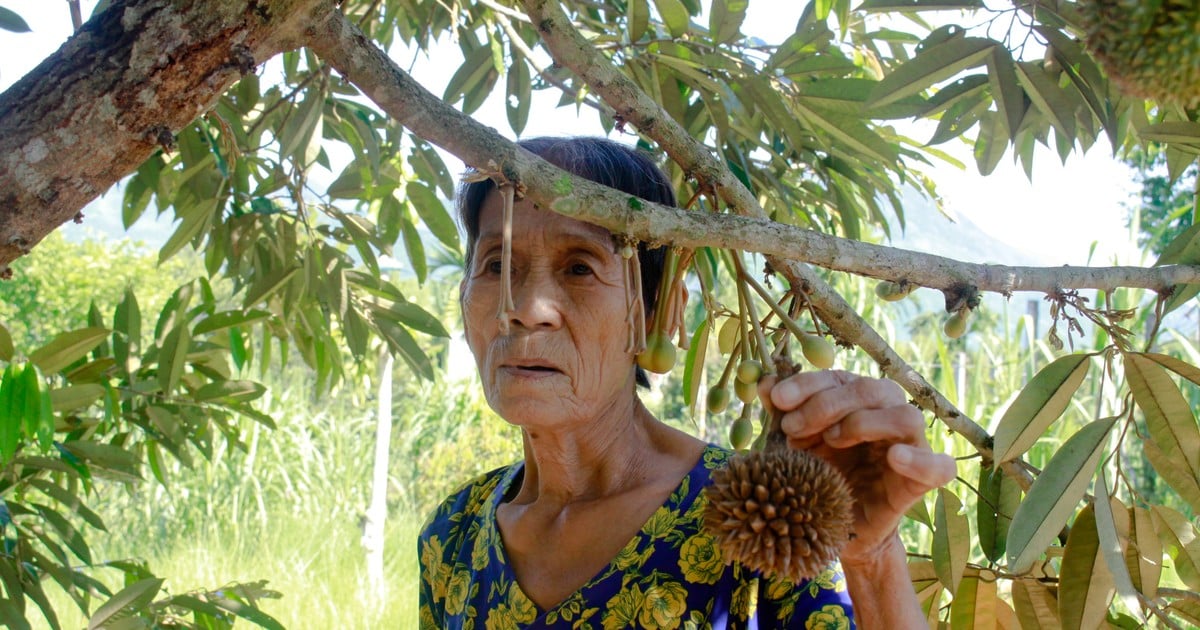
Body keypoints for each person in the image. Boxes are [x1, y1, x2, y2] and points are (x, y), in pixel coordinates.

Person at [418, 137, 957, 629]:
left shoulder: (762, 526)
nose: (527, 310)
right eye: (495, 265)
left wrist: (873, 560)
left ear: (662, 311)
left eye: (580, 268)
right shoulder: (452, 538)